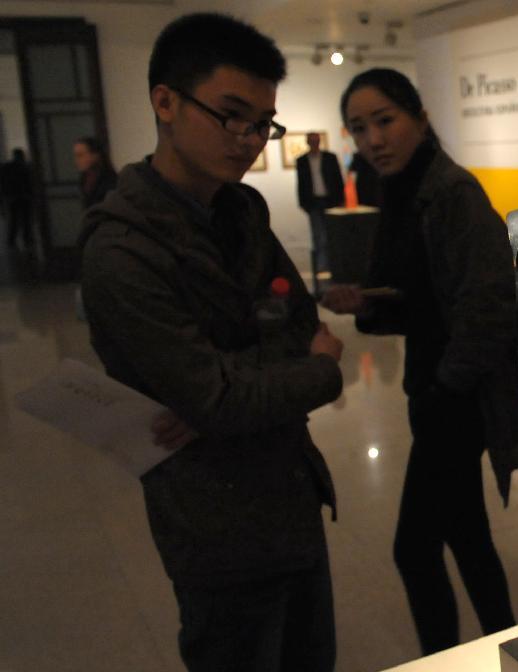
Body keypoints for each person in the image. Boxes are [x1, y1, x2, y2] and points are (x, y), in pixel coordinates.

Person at [78, 13, 344, 671]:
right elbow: (226, 395)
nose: (249, 139)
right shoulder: (122, 246)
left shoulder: (242, 210)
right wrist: (317, 375)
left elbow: (304, 326)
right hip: (214, 521)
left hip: (291, 495)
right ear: (165, 101)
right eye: (231, 115)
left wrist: (226, 391)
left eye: (262, 122)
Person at [322, 68, 518, 655]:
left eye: (385, 121)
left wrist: (445, 389)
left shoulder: (451, 193)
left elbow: (489, 303)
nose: (374, 140)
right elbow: (422, 297)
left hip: (455, 402)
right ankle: (504, 647)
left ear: (420, 117)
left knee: (413, 550)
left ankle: (451, 659)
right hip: (437, 393)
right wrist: (368, 302)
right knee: (466, 536)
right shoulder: (405, 191)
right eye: (360, 129)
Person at [296, 131, 344, 280]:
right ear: (308, 142)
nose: (314, 143)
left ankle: (335, 267)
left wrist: (340, 200)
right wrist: (303, 203)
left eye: (316, 140)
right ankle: (322, 270)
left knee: (334, 235)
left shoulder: (330, 158)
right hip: (313, 202)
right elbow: (301, 183)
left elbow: (338, 179)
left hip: (331, 201)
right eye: (312, 141)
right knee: (318, 237)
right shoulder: (302, 160)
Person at [1, 148, 34, 250]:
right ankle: (27, 238)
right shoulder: (25, 166)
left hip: (12, 197)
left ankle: (11, 240)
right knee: (26, 219)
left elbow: (3, 183)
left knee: (14, 220)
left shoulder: (6, 167)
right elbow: (29, 182)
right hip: (24, 196)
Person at [73, 136, 118, 209]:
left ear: (95, 155)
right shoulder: (84, 179)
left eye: (80, 155)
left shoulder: (111, 180)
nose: (77, 161)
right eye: (76, 156)